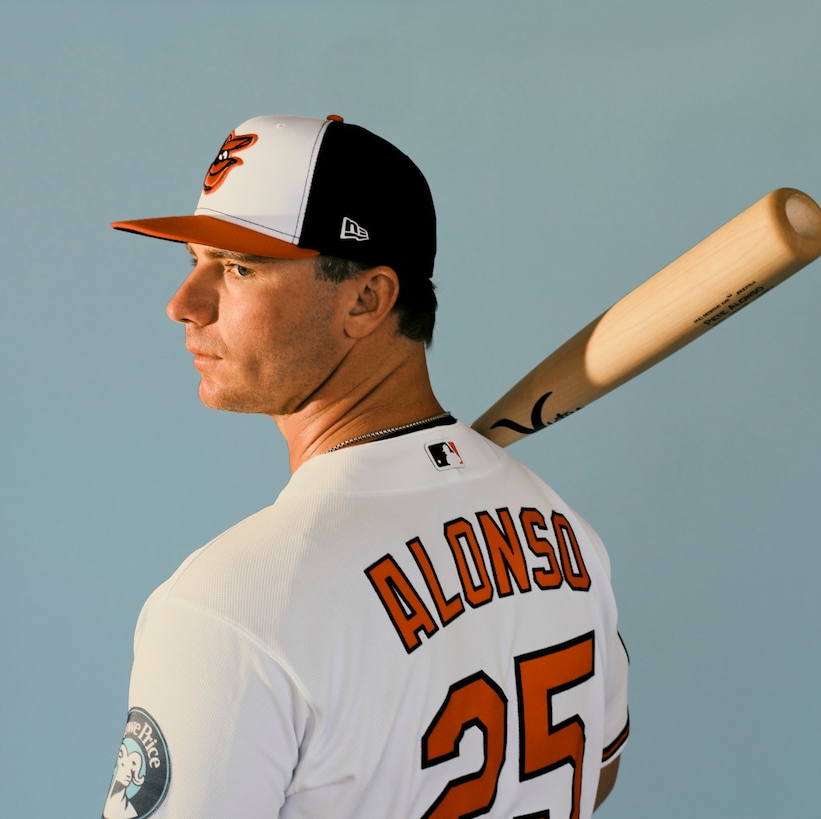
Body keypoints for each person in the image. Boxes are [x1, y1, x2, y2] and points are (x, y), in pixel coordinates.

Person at [102, 114, 629, 818]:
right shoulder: (569, 538)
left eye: (237, 268)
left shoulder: (227, 607)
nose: (184, 305)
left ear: (365, 299)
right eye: (193, 261)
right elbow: (594, 775)